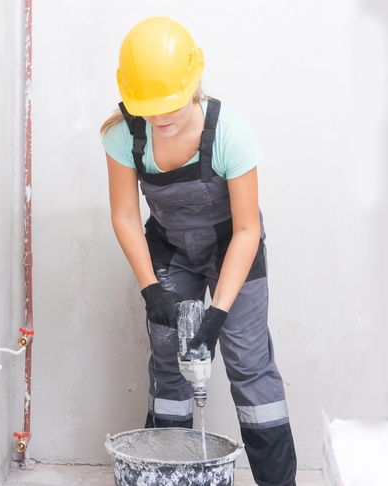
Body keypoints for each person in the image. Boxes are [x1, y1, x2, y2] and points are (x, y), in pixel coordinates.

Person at [100, 16, 297, 486]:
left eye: (169, 104)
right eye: (148, 107)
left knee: (248, 362)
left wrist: (218, 314)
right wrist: (151, 289)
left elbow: (247, 229)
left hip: (233, 248)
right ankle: (169, 474)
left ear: (193, 82)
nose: (160, 118)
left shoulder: (231, 132)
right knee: (170, 357)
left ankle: (277, 482)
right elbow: (126, 216)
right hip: (171, 249)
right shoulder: (122, 135)